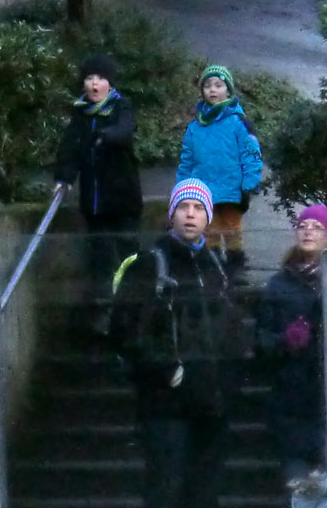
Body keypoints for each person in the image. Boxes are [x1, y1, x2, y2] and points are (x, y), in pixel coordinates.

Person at [108, 178, 245, 508]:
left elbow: (232, 330)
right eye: (183, 206)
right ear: (171, 213)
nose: (190, 214)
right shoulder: (148, 265)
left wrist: (228, 382)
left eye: (198, 208)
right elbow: (124, 331)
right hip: (164, 406)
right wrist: (164, 371)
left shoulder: (217, 267)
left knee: (205, 492)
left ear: (208, 217)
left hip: (211, 404)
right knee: (165, 489)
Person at [255, 204, 327, 483]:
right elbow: (261, 341)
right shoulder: (279, 284)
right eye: (303, 226)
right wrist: (286, 341)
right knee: (299, 486)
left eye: (317, 227)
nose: (308, 231)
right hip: (292, 399)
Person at [54, 53, 143, 308]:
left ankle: (133, 301)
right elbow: (69, 150)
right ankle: (103, 305)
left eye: (100, 78)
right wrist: (64, 178)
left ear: (110, 84)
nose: (94, 84)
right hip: (94, 205)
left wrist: (104, 135)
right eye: (89, 78)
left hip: (123, 201)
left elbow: (125, 130)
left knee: (128, 254)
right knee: (100, 258)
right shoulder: (80, 115)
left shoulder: (121, 106)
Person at [176, 64, 263, 280]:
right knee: (209, 229)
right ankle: (211, 265)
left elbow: (251, 153)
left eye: (218, 85)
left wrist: (251, 180)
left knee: (232, 227)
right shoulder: (195, 127)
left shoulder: (238, 122)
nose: (212, 90)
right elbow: (187, 159)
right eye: (207, 86)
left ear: (228, 90)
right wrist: (182, 187)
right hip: (203, 189)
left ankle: (236, 266)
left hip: (232, 187)